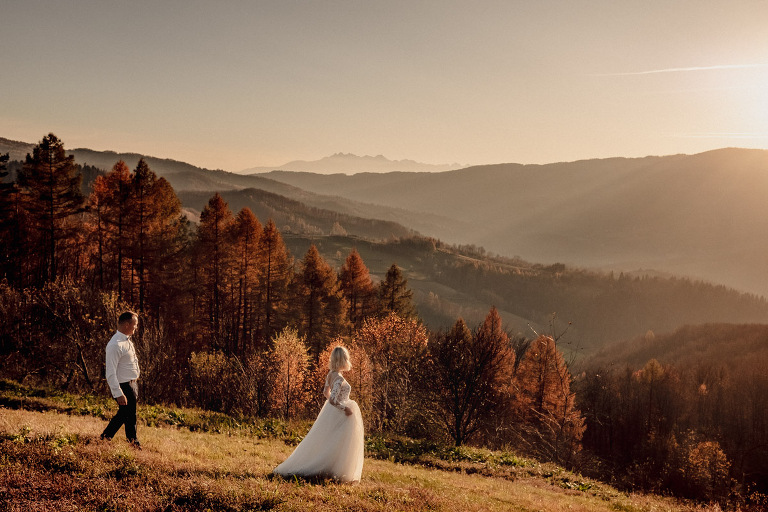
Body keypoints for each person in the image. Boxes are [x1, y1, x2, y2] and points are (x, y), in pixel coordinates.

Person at [274, 346, 364, 482]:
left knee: (327, 440)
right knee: (339, 442)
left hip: (332, 412)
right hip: (341, 413)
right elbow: (333, 400)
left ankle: (331, 468)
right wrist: (344, 408)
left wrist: (333, 407)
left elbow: (325, 393)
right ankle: (334, 469)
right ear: (343, 360)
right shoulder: (338, 378)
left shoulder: (330, 374)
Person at [101, 311, 141, 448]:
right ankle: (133, 442)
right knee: (129, 415)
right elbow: (110, 373)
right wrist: (118, 393)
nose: (136, 327)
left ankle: (105, 438)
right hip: (124, 386)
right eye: (134, 325)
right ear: (127, 324)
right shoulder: (115, 345)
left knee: (125, 414)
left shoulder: (127, 341)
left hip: (132, 384)